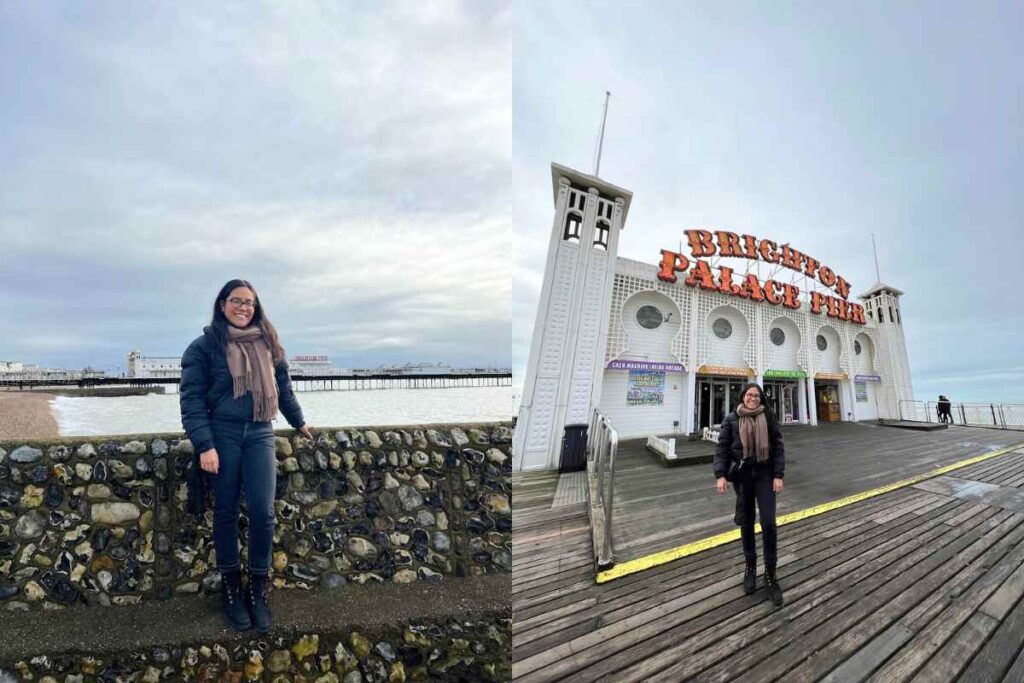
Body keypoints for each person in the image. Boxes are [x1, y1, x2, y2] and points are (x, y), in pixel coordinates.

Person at [180, 279, 313, 632]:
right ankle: (230, 589)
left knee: (262, 511)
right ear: (222, 304)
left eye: (250, 303)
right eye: (237, 301)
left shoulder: (268, 343)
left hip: (259, 432)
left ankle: (256, 588)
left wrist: (299, 422)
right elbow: (191, 400)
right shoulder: (205, 346)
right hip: (221, 435)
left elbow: (282, 390)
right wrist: (205, 445)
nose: (244, 307)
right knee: (224, 511)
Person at [713, 382, 786, 606]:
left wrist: (778, 474)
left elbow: (778, 444)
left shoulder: (769, 416)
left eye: (756, 395)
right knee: (746, 521)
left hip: (765, 474)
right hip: (743, 475)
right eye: (749, 395)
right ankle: (751, 567)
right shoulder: (731, 419)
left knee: (768, 521)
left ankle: (771, 573)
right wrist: (720, 474)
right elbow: (722, 448)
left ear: (761, 398)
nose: (752, 398)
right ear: (743, 397)